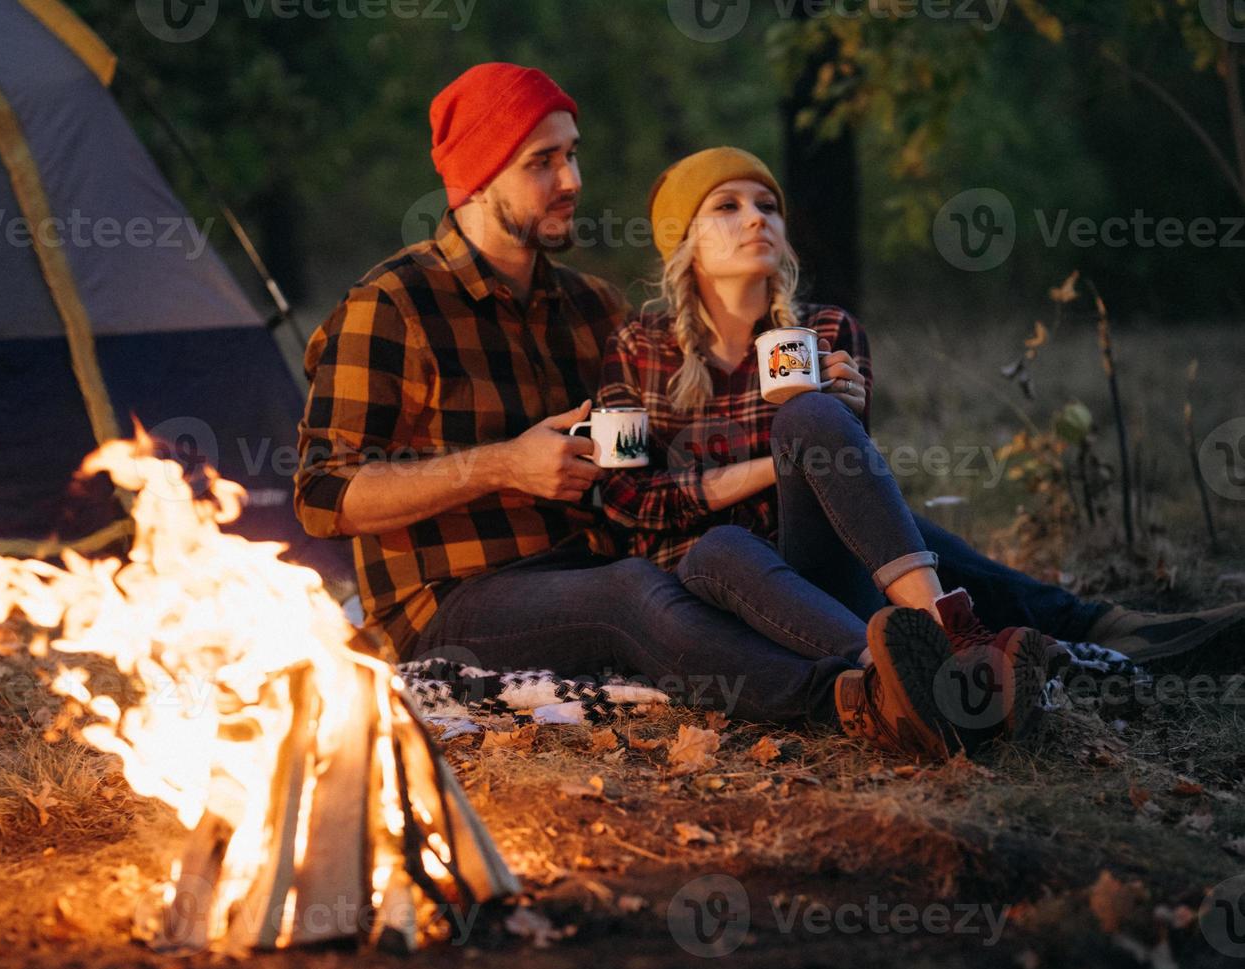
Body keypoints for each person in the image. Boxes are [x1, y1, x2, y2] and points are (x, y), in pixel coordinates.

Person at [294, 64, 968, 760]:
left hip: (592, 559)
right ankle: (863, 693)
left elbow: (645, 464)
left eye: (573, 154)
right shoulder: (393, 306)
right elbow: (323, 495)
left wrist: (811, 440)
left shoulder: (590, 307)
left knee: (708, 566)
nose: (573, 181)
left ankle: (950, 646)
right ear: (476, 179)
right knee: (631, 594)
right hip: (452, 596)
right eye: (542, 162)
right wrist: (503, 466)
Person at [597, 146, 1245, 750]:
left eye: (768, 205)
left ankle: (960, 640)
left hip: (815, 572)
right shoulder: (639, 348)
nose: (757, 219)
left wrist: (840, 423)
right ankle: (1050, 640)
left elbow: (852, 496)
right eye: (728, 206)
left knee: (817, 417)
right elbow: (624, 499)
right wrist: (772, 467)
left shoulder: (826, 330)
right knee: (724, 546)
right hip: (712, 589)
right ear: (682, 241)